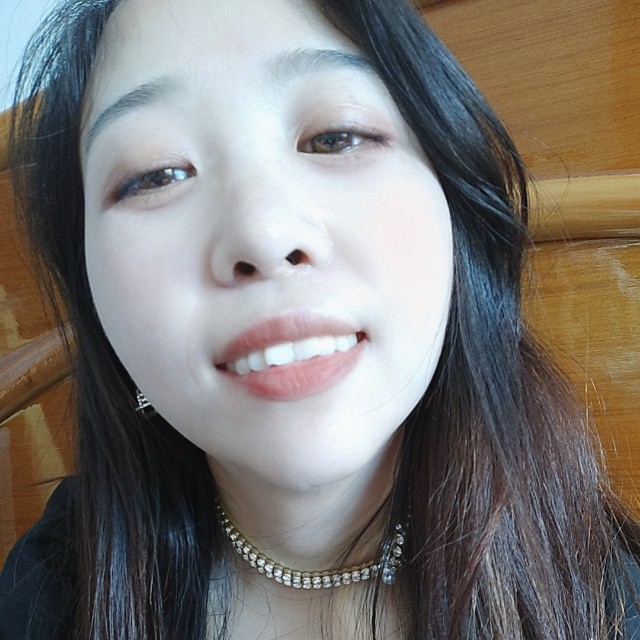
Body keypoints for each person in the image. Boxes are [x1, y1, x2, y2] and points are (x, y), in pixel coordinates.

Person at [1, 0, 639, 638]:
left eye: (336, 137)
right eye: (157, 174)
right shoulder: (48, 590)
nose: (262, 233)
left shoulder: (614, 603)